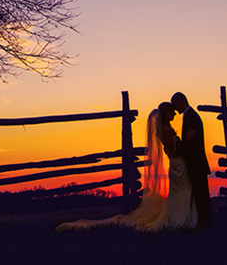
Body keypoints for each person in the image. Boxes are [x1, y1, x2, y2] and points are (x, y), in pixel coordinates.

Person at [55, 102, 197, 232]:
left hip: (179, 166)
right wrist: (188, 141)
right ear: (166, 113)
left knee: (180, 193)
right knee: (179, 192)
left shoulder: (166, 128)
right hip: (178, 166)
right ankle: (177, 219)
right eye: (172, 111)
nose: (174, 114)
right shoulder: (165, 130)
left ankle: (183, 217)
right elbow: (173, 151)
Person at [171, 91, 212, 228]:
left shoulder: (191, 117)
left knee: (200, 194)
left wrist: (175, 143)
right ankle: (202, 221)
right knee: (199, 193)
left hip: (196, 162)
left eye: (175, 105)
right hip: (195, 162)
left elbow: (192, 144)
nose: (175, 110)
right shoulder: (190, 116)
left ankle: (204, 222)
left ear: (180, 102)